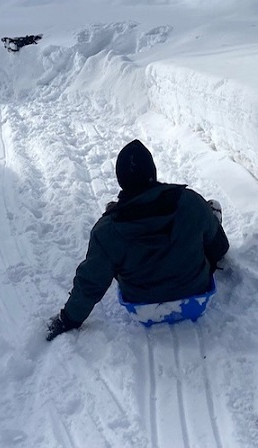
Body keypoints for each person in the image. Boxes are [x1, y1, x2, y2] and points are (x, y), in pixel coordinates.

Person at [46, 139, 229, 341]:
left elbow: (91, 282)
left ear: (120, 180)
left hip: (142, 304)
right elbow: (220, 247)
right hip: (196, 293)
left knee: (114, 253)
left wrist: (68, 319)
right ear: (153, 173)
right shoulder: (190, 202)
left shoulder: (107, 230)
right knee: (208, 214)